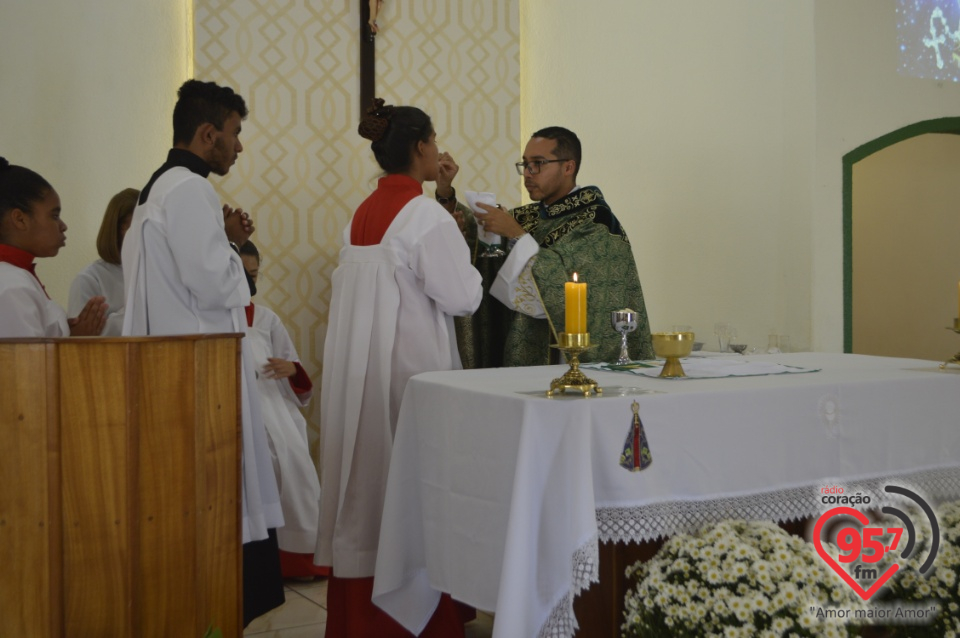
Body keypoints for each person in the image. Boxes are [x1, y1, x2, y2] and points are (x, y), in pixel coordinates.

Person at [315, 98, 482, 638]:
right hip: (411, 380)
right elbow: (464, 298)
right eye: (433, 141)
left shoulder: (360, 215)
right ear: (418, 147)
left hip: (363, 381)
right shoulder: (426, 215)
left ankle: (358, 620)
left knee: (369, 493)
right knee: (412, 493)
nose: (438, 150)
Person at [120, 79, 284, 626]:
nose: (238, 147)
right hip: (199, 369)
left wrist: (225, 243)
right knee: (217, 500)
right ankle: (215, 611)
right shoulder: (190, 190)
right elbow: (216, 285)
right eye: (235, 134)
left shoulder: (155, 189)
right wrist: (236, 251)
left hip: (170, 364)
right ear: (208, 132)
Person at [437, 127, 654, 366]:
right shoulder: (529, 216)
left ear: (568, 167)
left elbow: (567, 290)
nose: (528, 174)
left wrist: (515, 234)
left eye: (538, 164)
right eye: (525, 164)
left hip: (571, 363)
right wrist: (446, 194)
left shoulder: (596, 222)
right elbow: (484, 249)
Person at [239, 241, 328, 581]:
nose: (249, 284)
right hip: (236, 408)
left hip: (273, 405)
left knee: (291, 464)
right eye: (242, 276)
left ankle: (299, 558)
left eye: (254, 275)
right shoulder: (211, 318)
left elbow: (296, 372)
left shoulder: (266, 319)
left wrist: (292, 370)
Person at [0, 158, 107, 337]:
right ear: (20, 219)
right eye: (54, 215)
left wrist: (69, 334)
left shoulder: (15, 277)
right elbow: (27, 363)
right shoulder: (11, 286)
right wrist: (74, 343)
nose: (63, 226)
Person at [68, 188, 138, 336]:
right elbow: (83, 340)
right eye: (139, 224)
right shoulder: (89, 279)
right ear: (120, 228)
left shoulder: (155, 271)